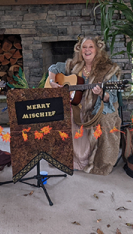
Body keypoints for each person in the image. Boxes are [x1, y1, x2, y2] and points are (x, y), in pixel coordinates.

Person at [48, 35, 121, 175]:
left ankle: (92, 161)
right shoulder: (75, 66)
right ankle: (67, 158)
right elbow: (54, 67)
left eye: (90, 47)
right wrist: (52, 81)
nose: (87, 50)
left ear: (97, 49)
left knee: (100, 120)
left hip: (96, 106)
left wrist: (100, 93)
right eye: (84, 47)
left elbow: (110, 98)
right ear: (80, 50)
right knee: (61, 114)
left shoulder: (107, 69)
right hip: (76, 104)